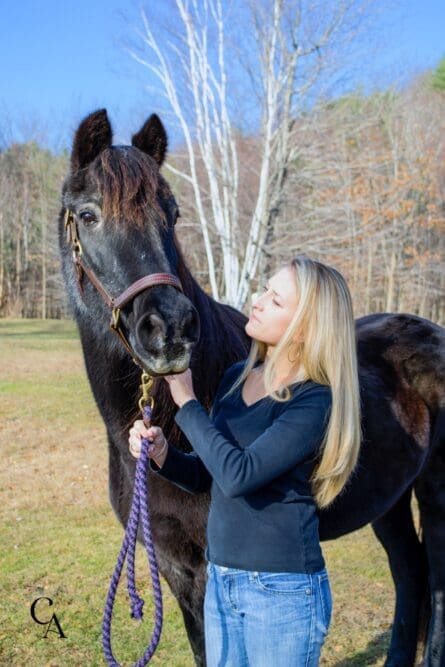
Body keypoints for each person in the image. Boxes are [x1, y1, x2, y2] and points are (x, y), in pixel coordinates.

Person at [128, 254, 361, 667]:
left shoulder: (314, 399)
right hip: (222, 581)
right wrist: (163, 454)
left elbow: (240, 475)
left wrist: (186, 401)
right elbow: (209, 473)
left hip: (282, 593)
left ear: (306, 326)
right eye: (264, 291)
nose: (258, 301)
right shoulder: (238, 377)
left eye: (275, 300)